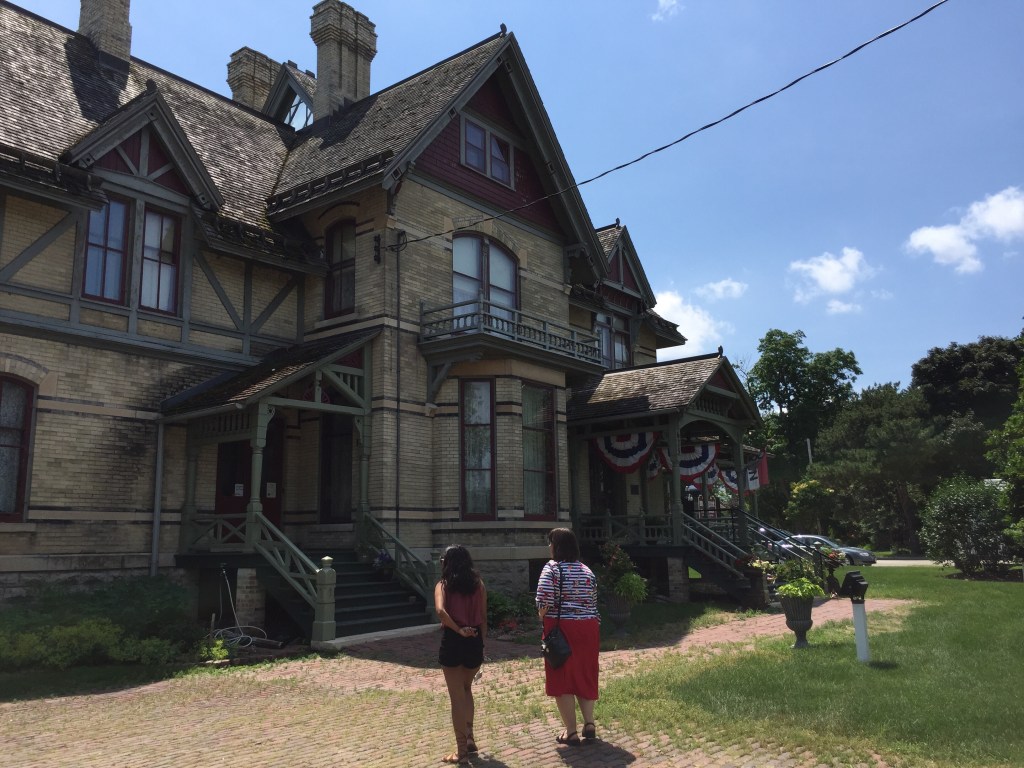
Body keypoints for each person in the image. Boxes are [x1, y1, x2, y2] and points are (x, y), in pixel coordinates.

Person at [535, 527, 600, 746]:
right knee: (585, 673)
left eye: (550, 542)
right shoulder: (587, 570)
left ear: (556, 546)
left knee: (561, 676)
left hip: (562, 628)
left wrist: (540, 615)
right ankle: (589, 723)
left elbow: (543, 602)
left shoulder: (552, 569)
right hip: (589, 627)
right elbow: (593, 602)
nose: (549, 547)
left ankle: (570, 731)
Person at [434, 544, 487, 765]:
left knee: (456, 697)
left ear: (447, 562)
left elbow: (440, 611)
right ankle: (470, 737)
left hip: (454, 639)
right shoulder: (478, 585)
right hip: (475, 639)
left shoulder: (443, 585)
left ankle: (462, 752)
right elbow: (483, 616)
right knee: (467, 689)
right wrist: (481, 643)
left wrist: (458, 630)